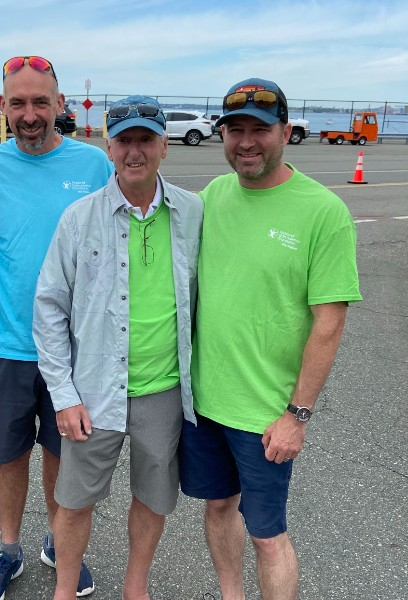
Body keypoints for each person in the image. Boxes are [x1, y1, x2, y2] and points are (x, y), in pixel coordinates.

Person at [179, 78, 362, 600]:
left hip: (266, 415)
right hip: (204, 402)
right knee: (218, 506)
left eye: (259, 129)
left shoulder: (322, 211)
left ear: (285, 131)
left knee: (267, 534)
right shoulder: (214, 196)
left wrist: (296, 416)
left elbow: (329, 322)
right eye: (234, 130)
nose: (246, 142)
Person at [33, 95, 203, 600]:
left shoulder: (193, 212)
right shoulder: (78, 218)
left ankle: (135, 587)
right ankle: (65, 589)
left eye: (145, 139)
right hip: (93, 390)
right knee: (73, 502)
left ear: (164, 146)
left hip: (163, 389)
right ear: (108, 147)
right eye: (124, 140)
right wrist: (63, 395)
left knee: (153, 499)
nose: (135, 151)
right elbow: (48, 308)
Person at [0, 55, 113, 600]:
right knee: (10, 458)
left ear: (60, 104)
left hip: (74, 352)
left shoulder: (93, 164)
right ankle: (9, 549)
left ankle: (60, 542)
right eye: (18, 103)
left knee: (62, 456)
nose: (29, 114)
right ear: (2, 107)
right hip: (6, 345)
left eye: (39, 102)